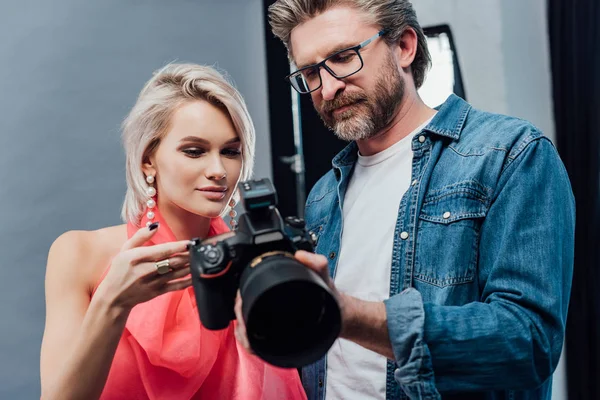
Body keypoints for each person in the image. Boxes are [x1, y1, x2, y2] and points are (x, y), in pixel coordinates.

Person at [234, 1, 576, 399]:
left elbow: (527, 343)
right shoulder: (323, 196)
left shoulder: (511, 154)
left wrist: (344, 314)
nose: (327, 89)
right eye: (310, 73)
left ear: (404, 47)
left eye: (344, 58)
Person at [40, 63, 306, 400]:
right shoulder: (79, 254)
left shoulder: (252, 258)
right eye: (194, 151)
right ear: (148, 160)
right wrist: (113, 302)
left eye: (230, 152)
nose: (218, 170)